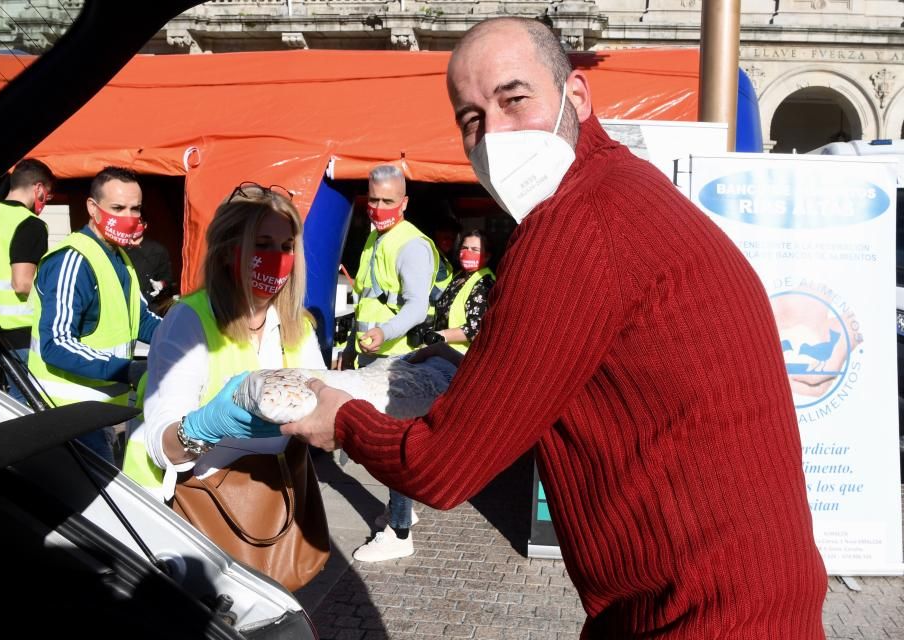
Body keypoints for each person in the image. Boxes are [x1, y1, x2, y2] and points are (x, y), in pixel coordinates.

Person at [282, 17, 826, 637]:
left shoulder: (575, 225)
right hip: (739, 595)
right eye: (471, 120)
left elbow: (441, 468)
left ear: (578, 95)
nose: (494, 135)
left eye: (514, 100)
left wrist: (339, 419)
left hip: (702, 614)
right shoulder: (623, 188)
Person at [121, 182, 324, 501]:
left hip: (269, 505)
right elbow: (164, 449)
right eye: (262, 243)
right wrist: (206, 426)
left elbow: (324, 406)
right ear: (229, 250)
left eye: (286, 247)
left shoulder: (298, 326)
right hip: (195, 507)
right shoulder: (189, 320)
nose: (278, 258)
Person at [341, 164, 444, 563]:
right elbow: (369, 294)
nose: (379, 208)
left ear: (404, 202)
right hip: (373, 356)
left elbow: (416, 307)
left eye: (388, 201)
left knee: (392, 446)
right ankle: (403, 511)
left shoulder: (411, 244)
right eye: (374, 200)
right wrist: (353, 347)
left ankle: (399, 534)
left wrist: (383, 333)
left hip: (397, 360)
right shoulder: (374, 238)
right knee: (380, 443)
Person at [28, 166, 161, 464]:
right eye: (117, 208)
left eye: (135, 208)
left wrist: (184, 335)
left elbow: (140, 319)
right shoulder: (72, 261)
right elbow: (56, 344)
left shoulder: (120, 257)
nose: (128, 217)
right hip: (67, 414)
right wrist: (127, 370)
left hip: (102, 410)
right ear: (92, 207)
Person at [0, 158, 54, 404]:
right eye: (46, 196)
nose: (45, 203)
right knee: (34, 404)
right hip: (24, 329)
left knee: (15, 400)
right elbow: (22, 283)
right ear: (38, 188)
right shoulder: (30, 224)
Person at [429, 229, 495, 352]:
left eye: (475, 250)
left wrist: (439, 336)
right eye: (464, 248)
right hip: (442, 350)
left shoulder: (485, 282)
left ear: (487, 256)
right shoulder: (460, 275)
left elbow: (476, 328)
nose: (468, 252)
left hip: (459, 357)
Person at [123, 230, 176, 315]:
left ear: (145, 226)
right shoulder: (119, 249)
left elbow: (168, 278)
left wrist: (161, 284)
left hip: (151, 304)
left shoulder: (157, 250)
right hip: (126, 303)